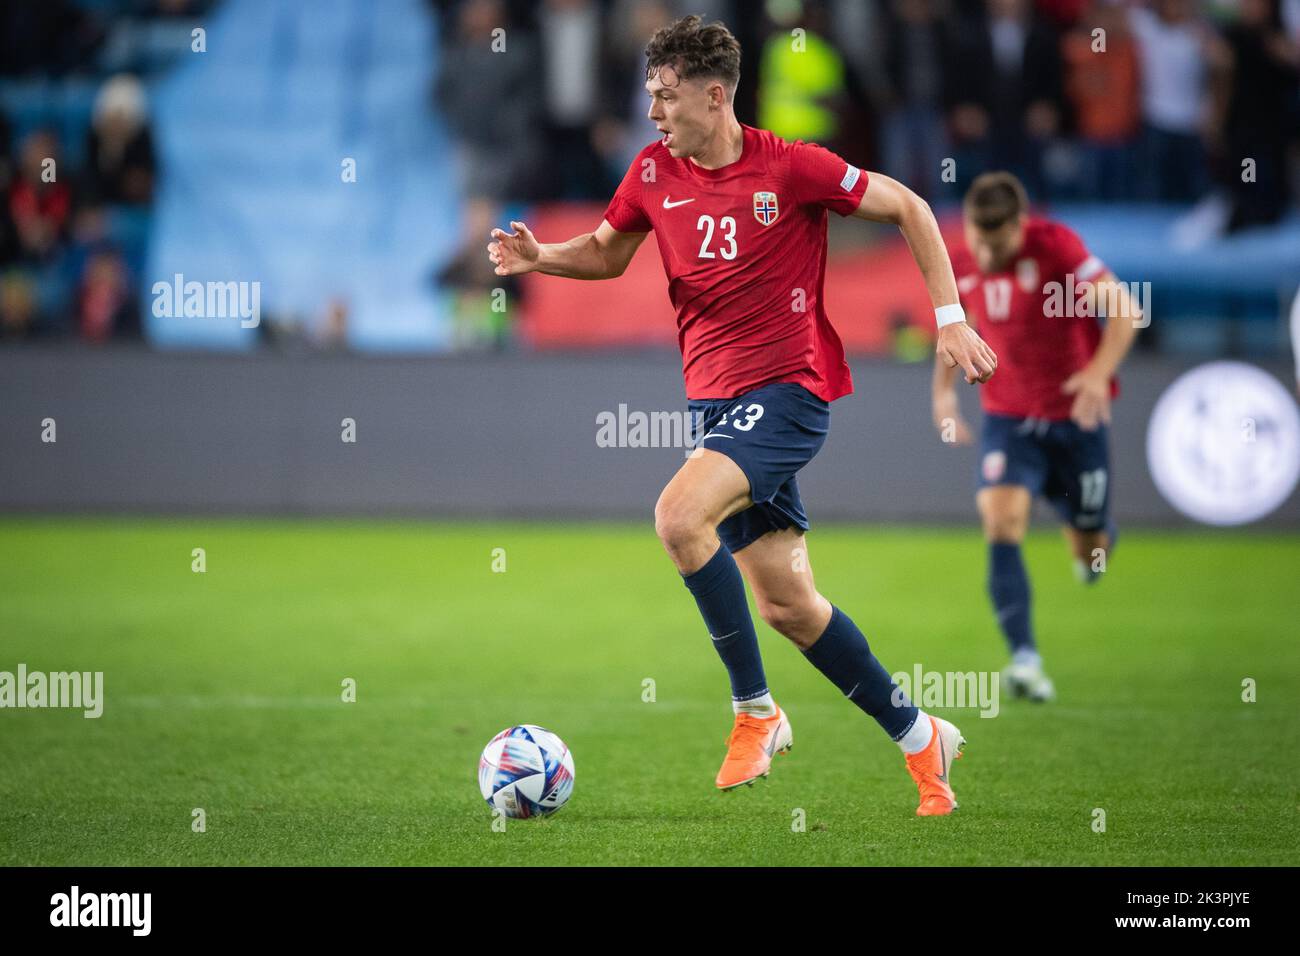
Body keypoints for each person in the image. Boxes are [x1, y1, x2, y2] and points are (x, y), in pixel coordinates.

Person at [488, 16, 997, 815]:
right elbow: (610, 248)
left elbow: (909, 208)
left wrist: (950, 317)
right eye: (650, 95)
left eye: (665, 96)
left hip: (789, 394)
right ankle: (919, 735)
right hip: (717, 408)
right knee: (790, 605)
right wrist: (541, 258)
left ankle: (756, 712)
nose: (652, 112)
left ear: (714, 93)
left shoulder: (792, 168)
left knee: (676, 517)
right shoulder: (653, 172)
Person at [933, 172, 1140, 701]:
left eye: (996, 240)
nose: (986, 249)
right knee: (1001, 519)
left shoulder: (1057, 246)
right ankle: (1025, 659)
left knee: (1089, 544)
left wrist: (1097, 374)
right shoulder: (960, 260)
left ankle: (1095, 532)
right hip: (1008, 417)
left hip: (1076, 421)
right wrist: (944, 396)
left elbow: (1124, 309)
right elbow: (958, 329)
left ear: (1021, 226)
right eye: (979, 238)